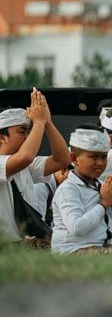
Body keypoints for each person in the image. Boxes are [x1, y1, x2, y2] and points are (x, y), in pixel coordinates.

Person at [0, 89, 69, 244]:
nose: (28, 136)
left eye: (28, 131)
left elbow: (62, 160)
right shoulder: (16, 162)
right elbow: (25, 157)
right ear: (2, 137)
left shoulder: (24, 166)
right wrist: (39, 122)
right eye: (22, 131)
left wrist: (48, 123)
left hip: (24, 244)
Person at [51, 126, 112, 254]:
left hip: (102, 248)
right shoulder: (68, 189)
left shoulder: (102, 186)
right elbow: (76, 228)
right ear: (74, 159)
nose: (100, 163)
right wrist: (104, 204)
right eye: (94, 157)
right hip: (72, 251)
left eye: (104, 157)